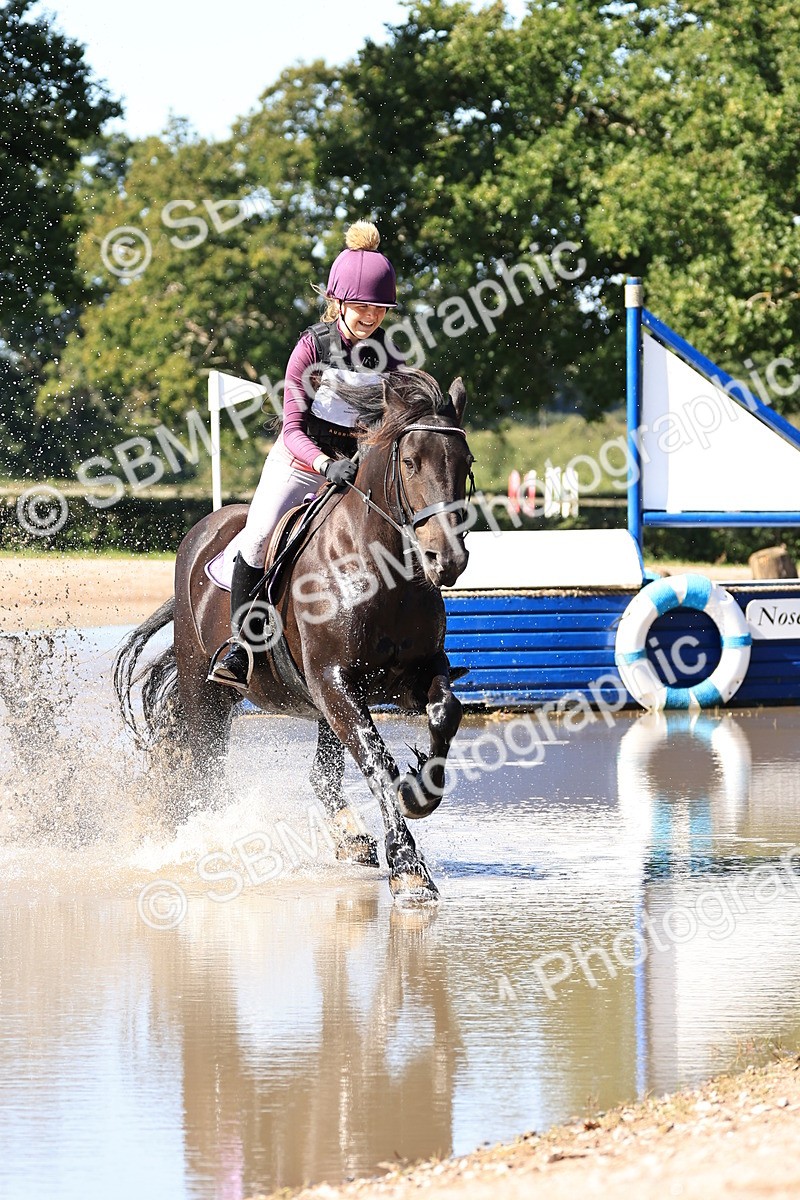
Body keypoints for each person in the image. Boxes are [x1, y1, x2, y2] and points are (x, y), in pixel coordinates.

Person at [209, 220, 402, 691]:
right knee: (256, 538)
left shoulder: (389, 357)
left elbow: (393, 423)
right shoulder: (310, 347)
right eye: (361, 305)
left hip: (356, 472)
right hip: (301, 464)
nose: (371, 315)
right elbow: (292, 428)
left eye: (379, 307)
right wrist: (323, 464)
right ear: (338, 302)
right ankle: (241, 647)